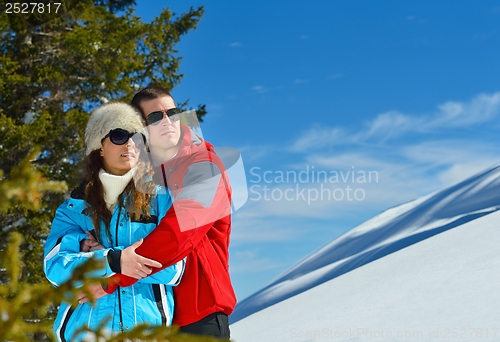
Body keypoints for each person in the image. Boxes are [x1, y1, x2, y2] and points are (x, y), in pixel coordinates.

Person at [100, 86, 236, 339]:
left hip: (200, 311)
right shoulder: (145, 173)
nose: (167, 122)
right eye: (154, 117)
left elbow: (180, 232)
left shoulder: (203, 165)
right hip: (157, 313)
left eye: (172, 113)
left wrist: (114, 277)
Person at [43, 102, 185, 341]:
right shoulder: (74, 209)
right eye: (119, 136)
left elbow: (174, 268)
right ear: (99, 147)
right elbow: (56, 267)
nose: (130, 143)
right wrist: (114, 259)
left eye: (137, 137)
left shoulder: (161, 199)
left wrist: (98, 258)